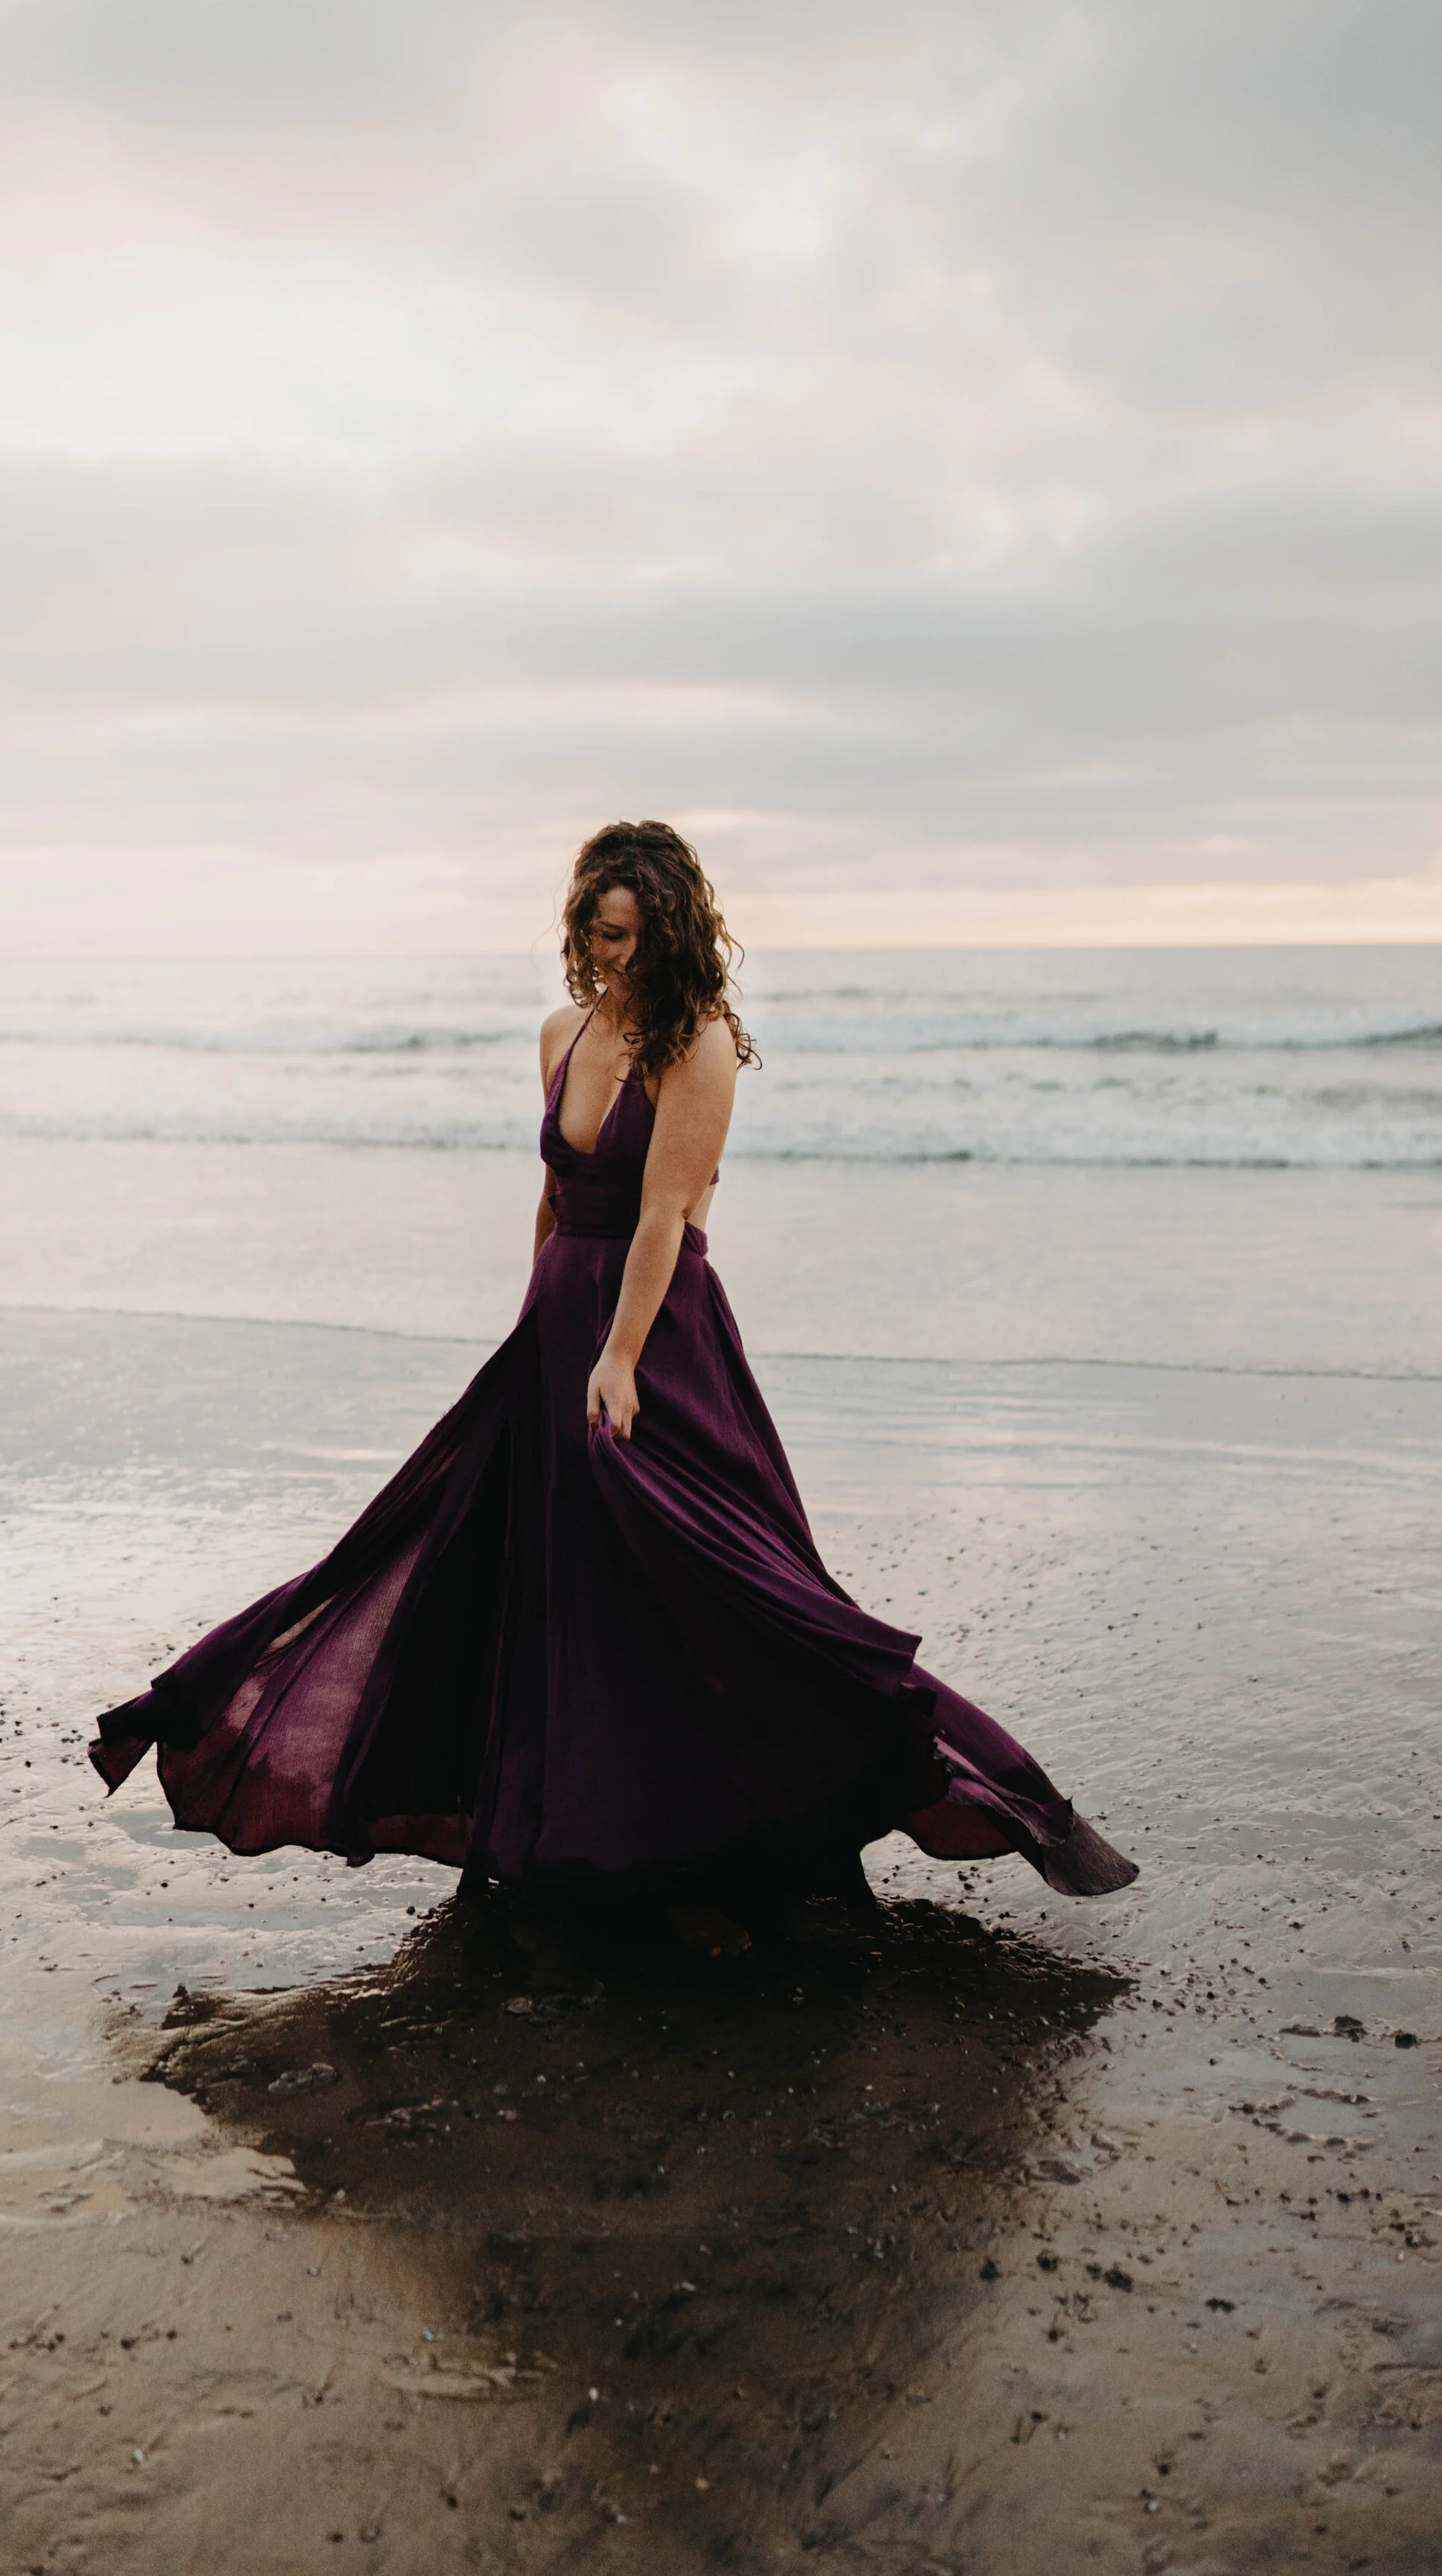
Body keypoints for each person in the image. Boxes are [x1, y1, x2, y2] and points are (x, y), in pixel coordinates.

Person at [89, 821, 1135, 1938]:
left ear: (674, 931)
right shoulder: (562, 1032)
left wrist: (621, 1356)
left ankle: (850, 1804)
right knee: (537, 1579)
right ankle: (562, 1827)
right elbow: (554, 1198)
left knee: (720, 1580)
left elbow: (665, 1215)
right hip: (557, 1329)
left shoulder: (701, 1045)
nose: (615, 956)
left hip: (655, 1338)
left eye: (633, 935)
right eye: (599, 932)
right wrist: (536, 1325)